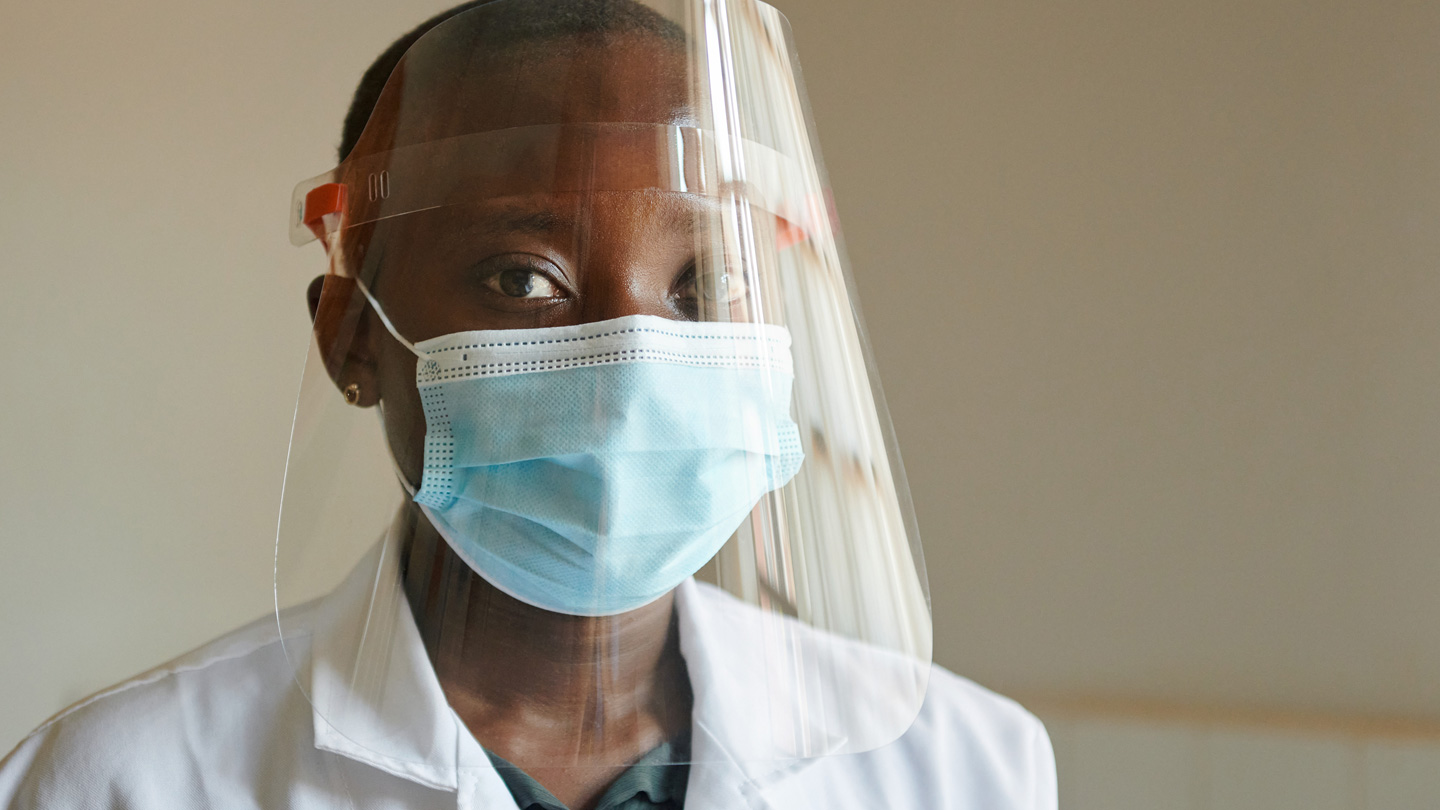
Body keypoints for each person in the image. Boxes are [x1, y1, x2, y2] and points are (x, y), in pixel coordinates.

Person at [0, 1, 1056, 807]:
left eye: (710, 285)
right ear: (349, 335)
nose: (638, 363)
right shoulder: (126, 782)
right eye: (523, 277)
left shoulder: (960, 770)